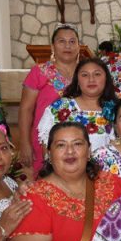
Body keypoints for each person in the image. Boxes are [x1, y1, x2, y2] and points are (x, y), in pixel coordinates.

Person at [19, 24, 80, 175]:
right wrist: (25, 143)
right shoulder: (39, 72)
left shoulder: (86, 73)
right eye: (62, 41)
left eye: (72, 41)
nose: (67, 46)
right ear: (53, 46)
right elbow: (26, 110)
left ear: (79, 46)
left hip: (79, 141)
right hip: (44, 142)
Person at [38, 58, 116, 155]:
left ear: (106, 78)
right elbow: (46, 146)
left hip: (106, 169)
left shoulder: (116, 109)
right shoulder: (60, 107)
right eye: (84, 75)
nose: (91, 79)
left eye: (97, 74)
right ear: (77, 80)